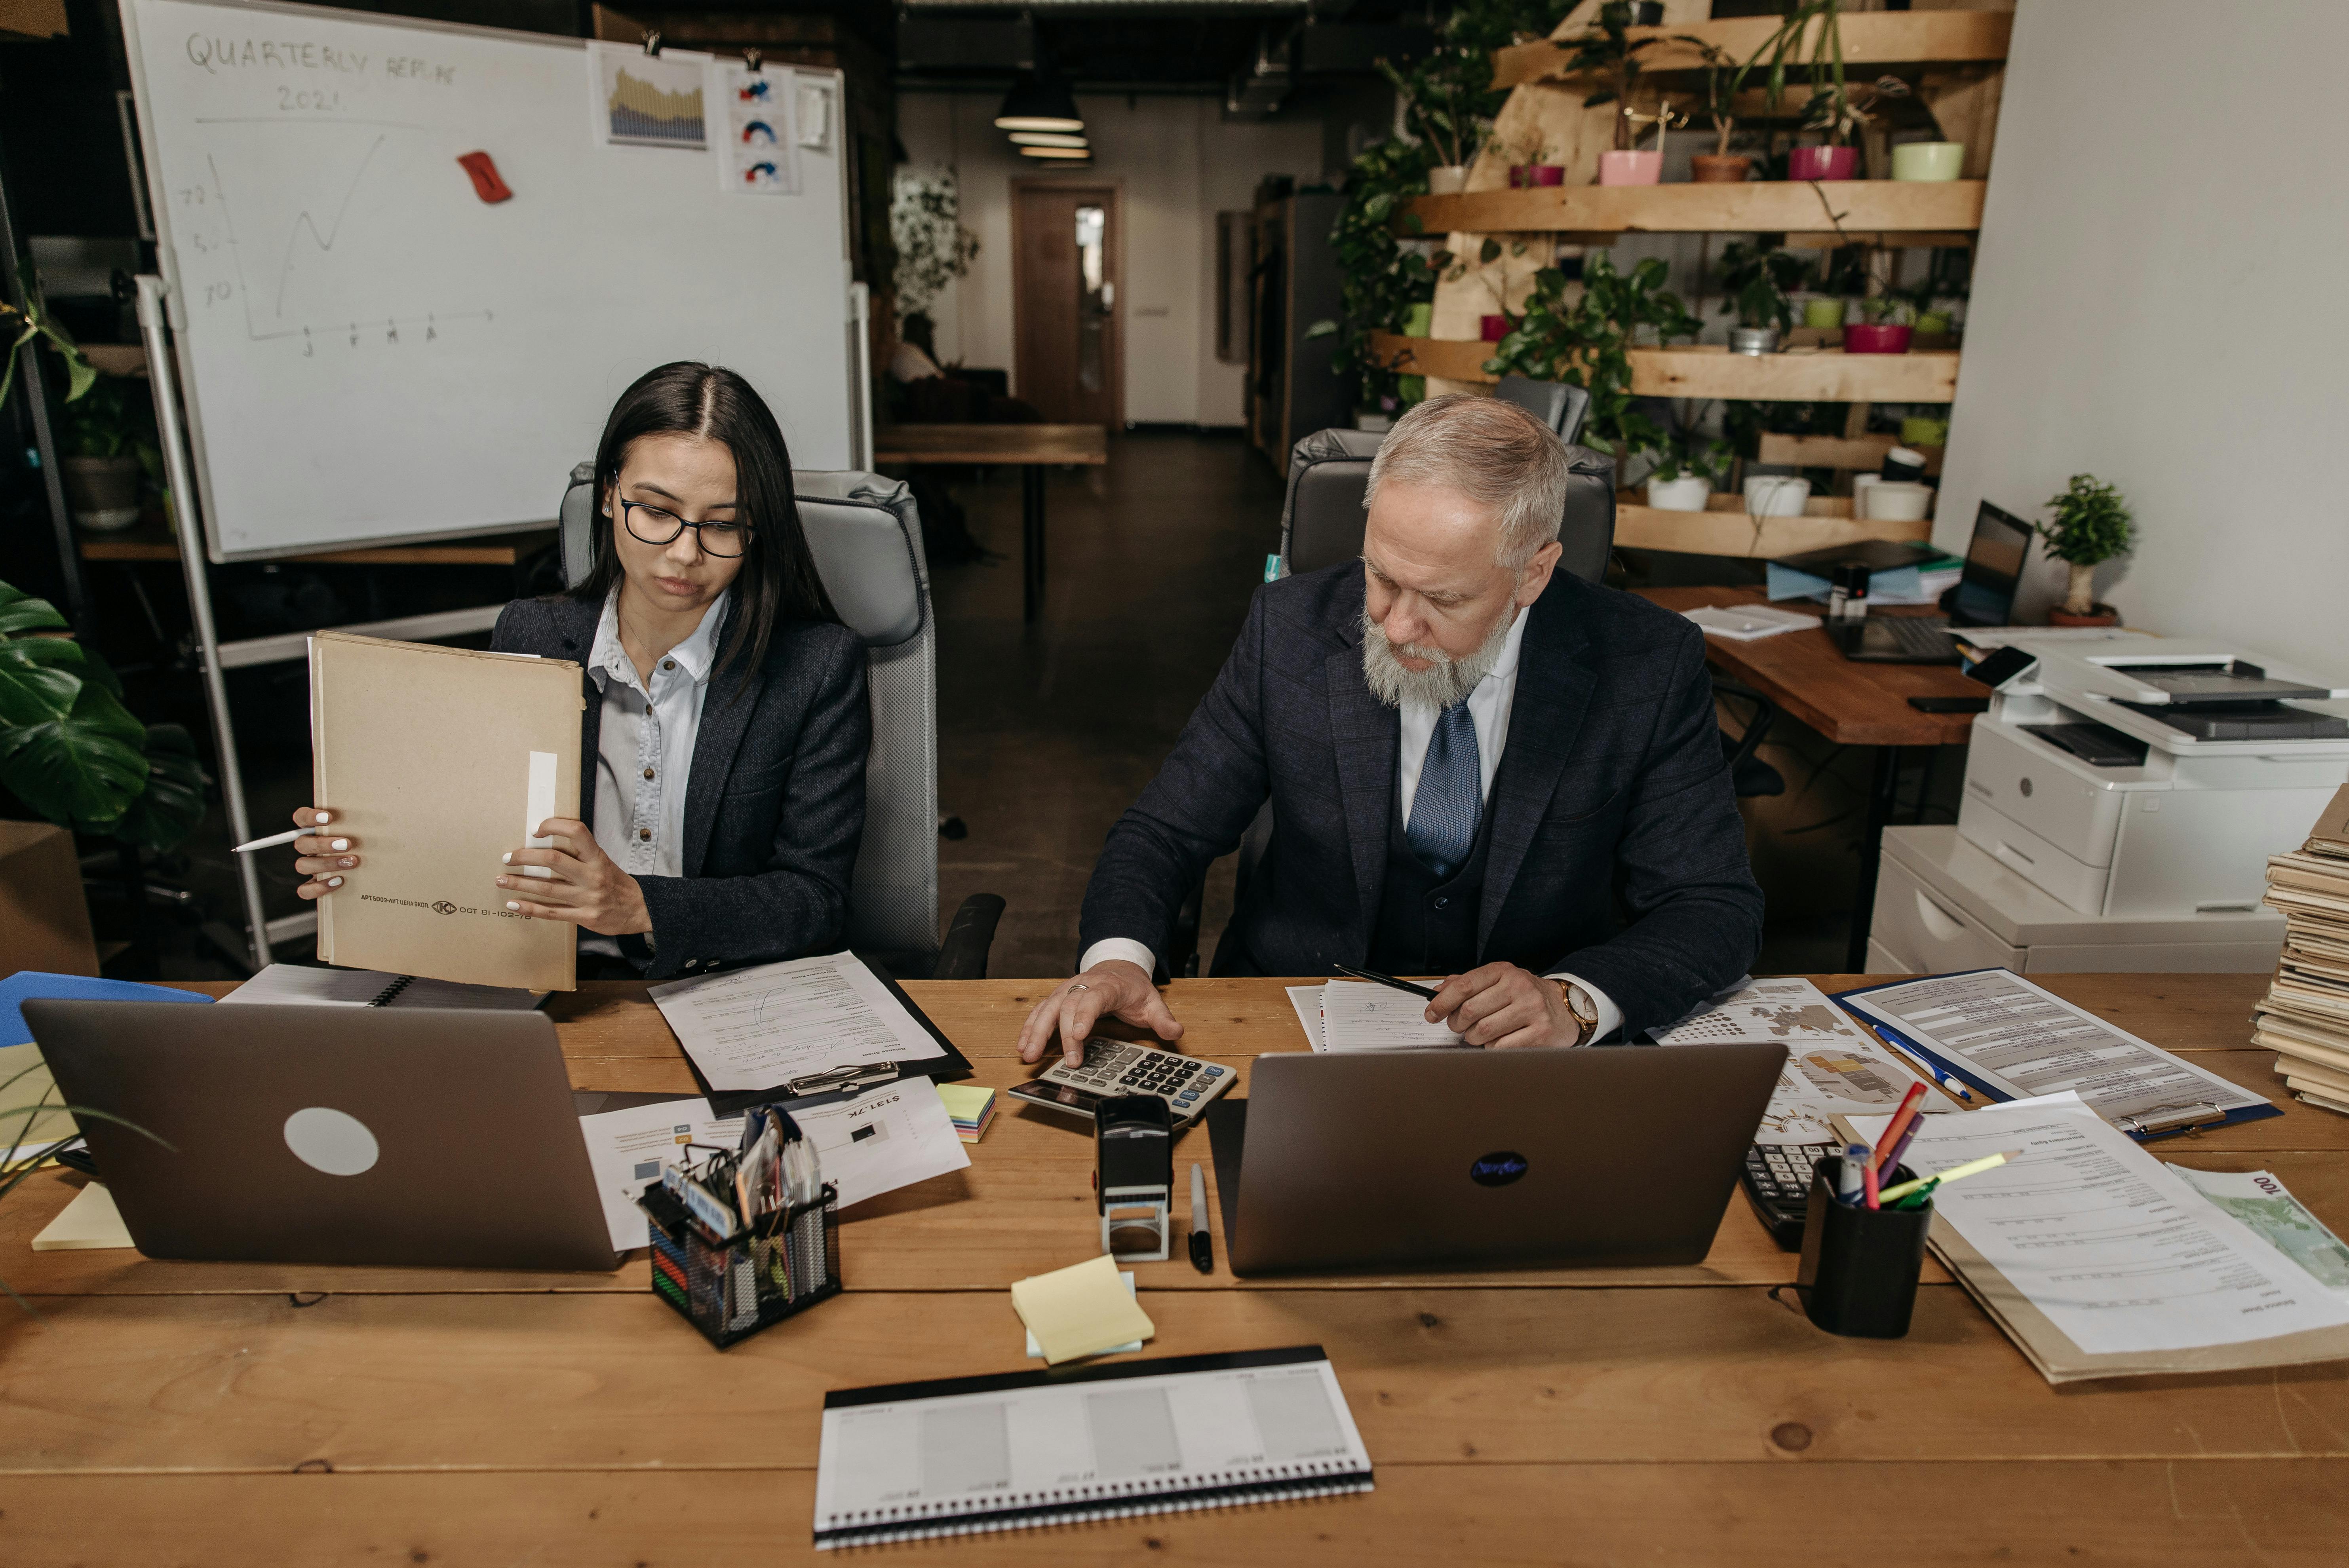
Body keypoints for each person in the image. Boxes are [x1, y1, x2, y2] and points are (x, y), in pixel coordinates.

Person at [1018, 393, 1762, 1065]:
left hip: (1520, 1061)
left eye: (1442, 596)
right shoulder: (1291, 631)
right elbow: (1164, 832)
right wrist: (1117, 961)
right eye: (1381, 574)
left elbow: (1713, 905)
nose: (1395, 623)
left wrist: (1573, 999)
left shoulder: (1646, 663)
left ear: (1533, 573)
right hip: (1289, 1022)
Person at [285, 361, 871, 981]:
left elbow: (816, 899)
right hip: (545, 980)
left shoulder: (814, 665)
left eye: (722, 524)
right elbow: (476, 828)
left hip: (722, 985)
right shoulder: (531, 635)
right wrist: (371, 855)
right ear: (608, 497)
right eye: (655, 511)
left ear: (757, 530)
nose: (684, 552)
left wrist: (638, 905)